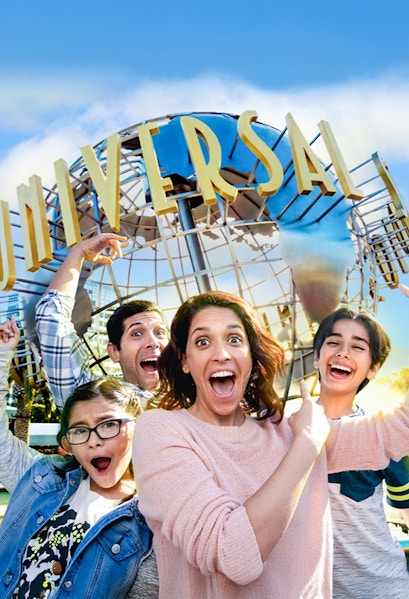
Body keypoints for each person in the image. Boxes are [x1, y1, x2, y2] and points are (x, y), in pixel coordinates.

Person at [132, 290, 409, 599]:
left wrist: (306, 438)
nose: (221, 353)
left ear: (251, 358)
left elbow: (399, 431)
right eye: (202, 341)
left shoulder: (286, 431)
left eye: (235, 340)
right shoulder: (161, 429)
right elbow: (233, 557)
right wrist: (306, 445)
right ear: (184, 360)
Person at [0, 317, 158, 599]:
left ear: (141, 428)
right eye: (80, 430)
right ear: (69, 443)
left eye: (109, 424)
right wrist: (2, 356)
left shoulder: (151, 519)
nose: (94, 440)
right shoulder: (44, 480)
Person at [313, 306, 409, 598]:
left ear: (373, 368)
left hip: (383, 589)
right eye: (333, 342)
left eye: (357, 347)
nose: (343, 352)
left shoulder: (382, 435)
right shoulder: (282, 433)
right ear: (316, 357)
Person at [35, 233, 168, 411]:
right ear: (114, 352)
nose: (153, 342)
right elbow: (50, 318)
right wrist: (79, 253)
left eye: (159, 332)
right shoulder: (96, 401)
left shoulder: (200, 396)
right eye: (137, 333)